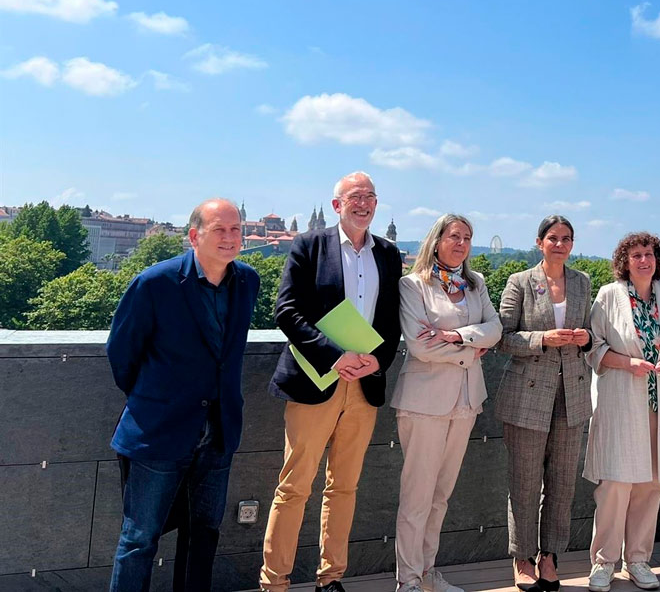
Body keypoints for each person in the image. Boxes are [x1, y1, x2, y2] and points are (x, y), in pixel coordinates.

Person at [259, 172, 405, 592]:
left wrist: (376, 363)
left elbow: (391, 320)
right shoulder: (309, 244)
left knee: (344, 487)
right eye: (355, 196)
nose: (365, 203)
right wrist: (334, 355)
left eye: (371, 196)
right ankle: (275, 583)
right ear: (337, 204)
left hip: (363, 386)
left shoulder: (389, 254)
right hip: (314, 381)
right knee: (294, 486)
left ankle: (331, 578)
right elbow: (286, 311)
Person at [107, 198, 260, 592]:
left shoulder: (247, 281)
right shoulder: (155, 282)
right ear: (195, 236)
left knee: (203, 535)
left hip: (218, 433)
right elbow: (122, 352)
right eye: (219, 230)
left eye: (236, 229)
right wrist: (155, 401)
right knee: (139, 538)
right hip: (159, 431)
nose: (230, 238)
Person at [392, 214, 501, 592]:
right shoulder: (412, 285)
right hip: (424, 403)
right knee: (417, 497)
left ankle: (427, 573)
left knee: (440, 497)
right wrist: (471, 350)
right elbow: (420, 345)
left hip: (466, 401)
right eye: (454, 236)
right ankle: (406, 580)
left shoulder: (477, 283)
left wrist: (456, 335)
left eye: (468, 238)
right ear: (437, 240)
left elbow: (496, 328)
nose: (461, 244)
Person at [494, 216, 593, 592]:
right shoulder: (519, 282)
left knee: (563, 483)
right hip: (527, 396)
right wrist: (542, 339)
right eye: (553, 238)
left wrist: (584, 338)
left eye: (566, 238)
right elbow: (502, 338)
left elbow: (593, 337)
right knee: (524, 482)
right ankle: (522, 558)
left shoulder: (583, 282)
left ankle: (550, 556)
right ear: (539, 242)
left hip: (572, 395)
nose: (560, 244)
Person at [584, 232, 660, 592]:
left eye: (649, 254)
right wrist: (628, 363)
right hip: (620, 400)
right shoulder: (609, 294)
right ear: (625, 262)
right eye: (636, 255)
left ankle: (639, 559)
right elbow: (593, 346)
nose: (643, 260)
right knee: (615, 483)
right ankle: (603, 562)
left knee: (652, 482)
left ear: (657, 259)